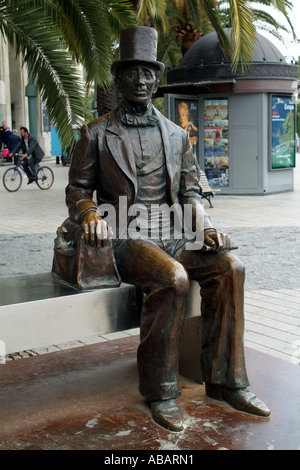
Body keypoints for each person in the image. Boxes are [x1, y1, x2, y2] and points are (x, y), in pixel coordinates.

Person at [65, 26, 270, 432]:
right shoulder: (96, 133)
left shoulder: (177, 135)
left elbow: (192, 190)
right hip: (126, 233)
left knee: (232, 267)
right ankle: (161, 389)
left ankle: (227, 382)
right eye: (132, 73)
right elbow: (77, 189)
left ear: (157, 79)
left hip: (174, 229)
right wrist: (89, 213)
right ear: (119, 77)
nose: (141, 81)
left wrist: (205, 228)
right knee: (172, 278)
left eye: (148, 74)